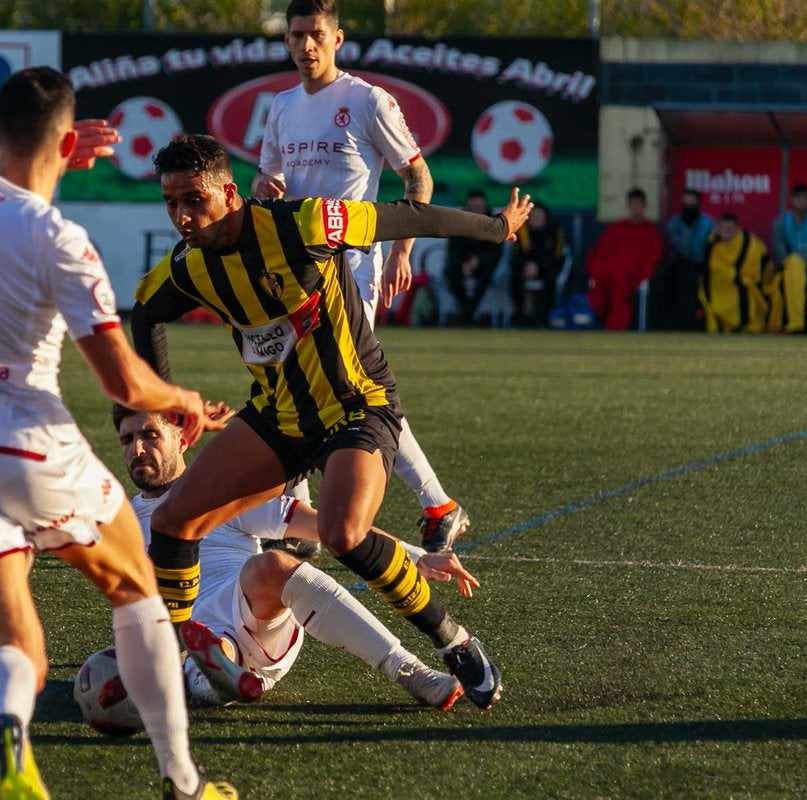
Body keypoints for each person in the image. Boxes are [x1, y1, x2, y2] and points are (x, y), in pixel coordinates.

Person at [0, 68, 236, 800]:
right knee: (136, 589)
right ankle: (184, 781)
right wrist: (180, 397)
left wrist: (26, 147)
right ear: (65, 140)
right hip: (27, 447)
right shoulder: (59, 239)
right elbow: (124, 385)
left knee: (17, 647)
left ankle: (11, 736)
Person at [132, 133, 532, 711]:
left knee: (343, 534)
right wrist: (165, 399)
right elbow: (144, 315)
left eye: (193, 199)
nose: (181, 215)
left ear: (229, 192)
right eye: (170, 203)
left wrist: (496, 228)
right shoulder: (189, 267)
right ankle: (169, 658)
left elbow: (401, 217)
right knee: (171, 521)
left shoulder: (304, 224)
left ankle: (453, 640)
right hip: (279, 417)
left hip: (356, 405)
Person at [252, 0, 471, 551]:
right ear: (286, 41)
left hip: (351, 270)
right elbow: (266, 180)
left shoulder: (368, 101)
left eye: (316, 35)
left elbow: (416, 178)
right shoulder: (279, 107)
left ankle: (425, 504)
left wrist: (402, 252)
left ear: (338, 38)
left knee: (344, 389)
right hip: (295, 272)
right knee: (307, 384)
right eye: (297, 35)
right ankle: (432, 505)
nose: (306, 46)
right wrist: (264, 191)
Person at [116, 407, 479, 709]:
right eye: (128, 440)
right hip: (189, 629)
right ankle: (213, 675)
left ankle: (408, 670)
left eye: (150, 434)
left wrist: (415, 556)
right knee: (197, 641)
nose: (139, 449)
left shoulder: (221, 492)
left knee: (272, 565)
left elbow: (325, 525)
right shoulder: (122, 522)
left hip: (251, 605)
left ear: (182, 439)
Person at [585, 187, 663, 331]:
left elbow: (651, 260)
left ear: (644, 206)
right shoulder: (616, 229)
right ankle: (594, 320)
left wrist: (641, 275)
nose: (635, 208)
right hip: (608, 274)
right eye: (632, 204)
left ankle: (615, 325)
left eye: (638, 204)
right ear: (628, 205)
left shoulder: (650, 232)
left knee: (620, 284)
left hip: (628, 277)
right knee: (600, 280)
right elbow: (599, 253)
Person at [698, 213, 779, 333]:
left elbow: (761, 266)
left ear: (737, 228)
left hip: (743, 285)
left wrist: (735, 276)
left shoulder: (749, 243)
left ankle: (744, 324)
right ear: (718, 228)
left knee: (747, 293)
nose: (726, 232)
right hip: (719, 287)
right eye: (723, 228)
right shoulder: (711, 243)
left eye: (730, 228)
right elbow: (708, 269)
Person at [653, 189, 714, 330]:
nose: (689, 207)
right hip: (678, 269)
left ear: (698, 203)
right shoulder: (673, 223)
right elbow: (669, 249)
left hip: (702, 268)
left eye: (692, 203)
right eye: (686, 203)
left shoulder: (708, 224)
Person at [444, 189, 507, 326]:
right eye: (473, 207)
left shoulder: (494, 222)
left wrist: (478, 260)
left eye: (478, 207)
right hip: (462, 264)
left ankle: (466, 314)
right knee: (451, 272)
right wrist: (463, 264)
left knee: (487, 274)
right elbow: (454, 248)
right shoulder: (458, 222)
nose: (476, 211)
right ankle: (469, 312)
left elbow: (495, 250)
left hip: (484, 265)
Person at [772, 183, 807, 333]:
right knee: (793, 265)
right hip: (789, 269)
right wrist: (793, 261)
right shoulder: (780, 222)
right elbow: (780, 256)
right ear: (791, 200)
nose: (801, 202)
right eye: (798, 198)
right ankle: (795, 322)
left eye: (804, 198)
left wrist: (797, 258)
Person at [509, 202, 566, 327]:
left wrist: (538, 267)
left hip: (547, 267)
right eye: (532, 216)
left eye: (539, 216)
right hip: (525, 268)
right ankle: (520, 317)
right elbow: (516, 254)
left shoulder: (555, 231)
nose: (535, 219)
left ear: (545, 217)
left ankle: (544, 318)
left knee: (551, 279)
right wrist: (527, 265)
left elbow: (557, 256)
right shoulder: (521, 230)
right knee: (514, 278)